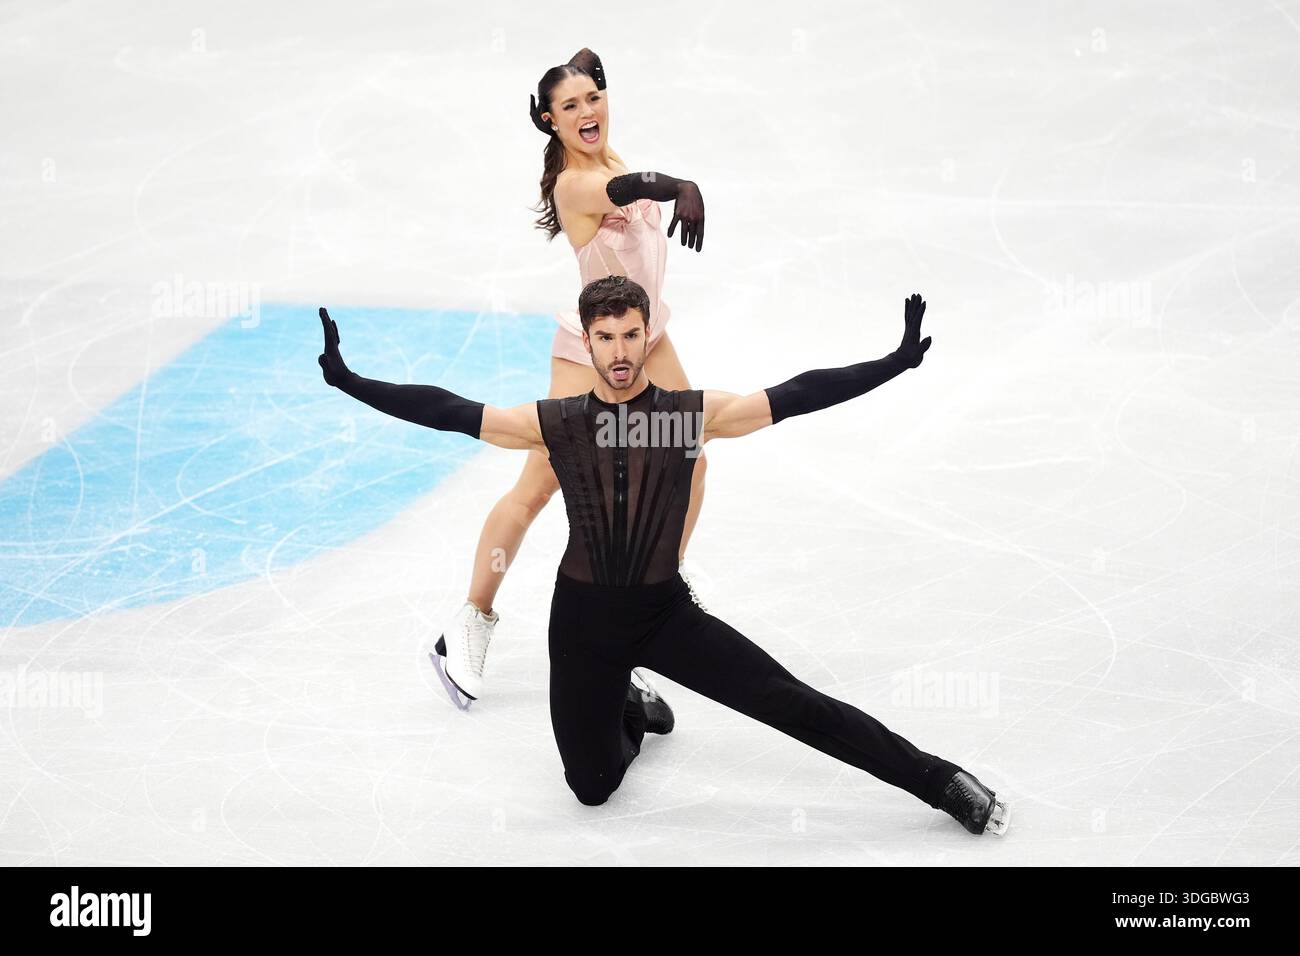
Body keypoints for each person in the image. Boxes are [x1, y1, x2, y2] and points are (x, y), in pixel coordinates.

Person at [316, 277, 1010, 835]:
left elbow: (796, 395)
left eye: (630, 335)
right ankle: (634, 706)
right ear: (585, 343)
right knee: (590, 790)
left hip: (663, 617)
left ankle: (939, 781)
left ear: (648, 336)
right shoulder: (554, 423)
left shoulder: (688, 413)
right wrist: (351, 381)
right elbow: (446, 408)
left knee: (792, 704)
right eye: (605, 337)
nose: (619, 350)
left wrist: (891, 363)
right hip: (583, 626)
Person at [433, 47, 713, 707]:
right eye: (570, 106)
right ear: (549, 122)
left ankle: (652, 597)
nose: (587, 112)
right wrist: (680, 187)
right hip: (589, 352)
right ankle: (469, 619)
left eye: (592, 97)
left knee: (690, 456)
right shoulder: (576, 184)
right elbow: (631, 187)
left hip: (646, 336)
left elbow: (622, 164)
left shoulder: (605, 154)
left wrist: (583, 63)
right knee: (540, 485)